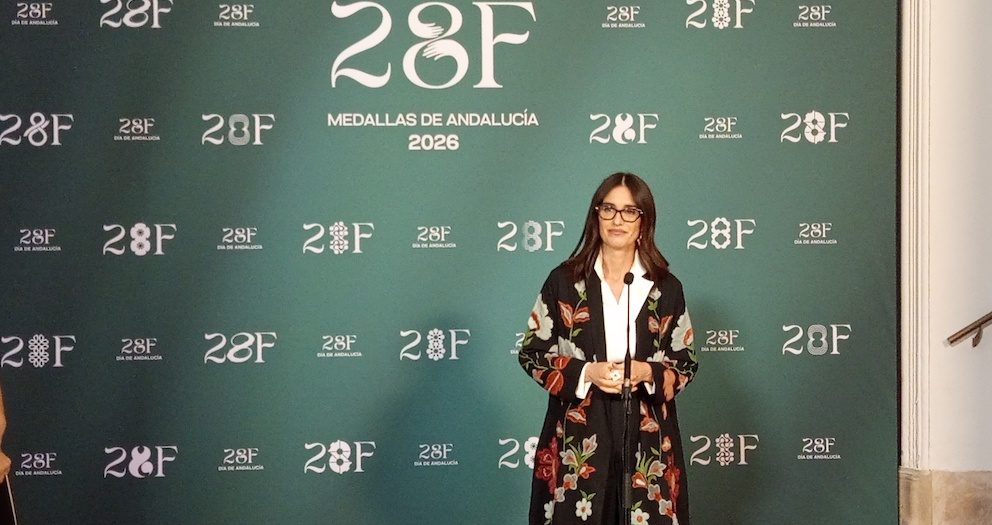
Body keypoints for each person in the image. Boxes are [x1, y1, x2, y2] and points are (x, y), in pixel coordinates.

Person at [518, 172, 697, 525]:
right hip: (579, 431)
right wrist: (587, 372)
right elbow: (533, 352)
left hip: (647, 434)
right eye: (608, 209)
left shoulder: (666, 288)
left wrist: (647, 372)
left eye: (629, 211)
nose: (617, 220)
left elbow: (685, 362)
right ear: (596, 215)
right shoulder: (564, 281)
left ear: (644, 221)